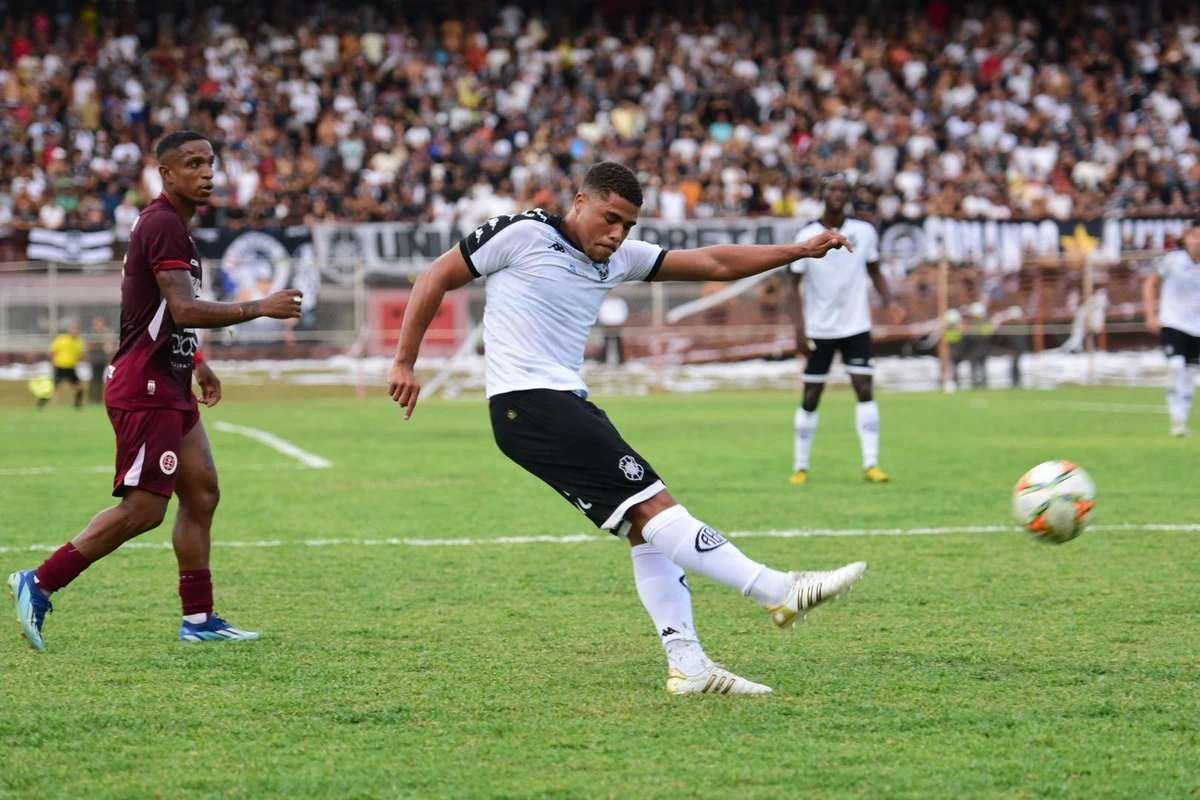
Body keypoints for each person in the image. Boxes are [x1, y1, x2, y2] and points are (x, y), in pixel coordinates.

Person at [387, 162, 866, 696]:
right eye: (610, 218)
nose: (617, 234)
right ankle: (777, 591)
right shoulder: (521, 234)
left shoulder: (618, 259)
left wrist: (796, 251)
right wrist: (405, 362)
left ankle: (689, 666)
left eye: (628, 226)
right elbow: (436, 275)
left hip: (561, 405)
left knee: (647, 528)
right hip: (531, 403)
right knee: (657, 508)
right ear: (580, 203)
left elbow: (714, 260)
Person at [7, 131, 303, 652]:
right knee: (144, 509)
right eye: (192, 164)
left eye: (210, 162)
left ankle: (199, 618)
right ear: (166, 174)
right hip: (146, 386)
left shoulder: (172, 226)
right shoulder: (165, 223)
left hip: (169, 379)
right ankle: (41, 580)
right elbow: (185, 308)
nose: (207, 172)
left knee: (203, 491)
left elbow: (164, 313)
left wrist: (199, 363)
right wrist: (260, 306)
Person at [784, 175, 904, 485]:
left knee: (865, 389)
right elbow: (792, 286)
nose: (837, 195)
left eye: (842, 190)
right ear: (822, 194)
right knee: (811, 395)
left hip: (856, 325)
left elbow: (875, 270)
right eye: (831, 189)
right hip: (819, 328)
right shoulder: (808, 235)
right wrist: (798, 330)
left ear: (848, 196)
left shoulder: (864, 232)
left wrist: (890, 301)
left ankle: (871, 464)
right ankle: (800, 466)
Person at [1144, 225, 1200, 438]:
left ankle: (1181, 423)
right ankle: (1175, 417)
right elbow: (1150, 282)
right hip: (1173, 323)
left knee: (1190, 373)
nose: (1198, 241)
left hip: (1197, 328)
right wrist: (1151, 314)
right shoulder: (1173, 260)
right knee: (1176, 366)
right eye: (1195, 236)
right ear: (1186, 238)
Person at [44, 322, 86, 409]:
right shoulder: (62, 339)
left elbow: (80, 355)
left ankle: (77, 405)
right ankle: (54, 406)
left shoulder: (79, 342)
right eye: (74, 330)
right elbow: (53, 351)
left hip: (71, 368)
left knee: (79, 387)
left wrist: (80, 358)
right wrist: (53, 363)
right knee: (56, 387)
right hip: (60, 366)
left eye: (77, 330)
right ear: (70, 330)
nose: (75, 332)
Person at [87, 316, 114, 404]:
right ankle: (92, 398)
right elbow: (92, 345)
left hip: (102, 359)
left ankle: (99, 399)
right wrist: (100, 343)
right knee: (94, 378)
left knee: (101, 378)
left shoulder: (106, 332)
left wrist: (101, 341)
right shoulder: (91, 333)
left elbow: (108, 344)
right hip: (94, 359)